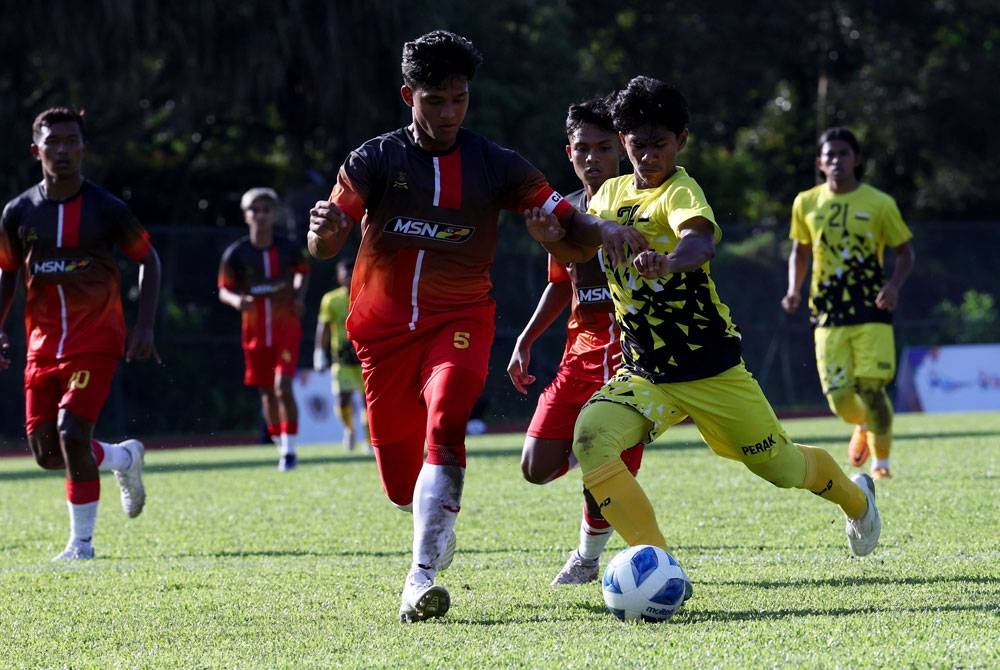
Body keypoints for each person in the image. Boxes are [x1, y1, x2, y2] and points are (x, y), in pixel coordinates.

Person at [306, 30, 635, 623]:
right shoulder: (373, 159)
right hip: (380, 340)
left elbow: (567, 219)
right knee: (402, 489)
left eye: (459, 99)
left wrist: (605, 233)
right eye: (435, 101)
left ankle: (420, 579)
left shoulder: (495, 164)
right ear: (408, 95)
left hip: (460, 321)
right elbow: (326, 236)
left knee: (449, 411)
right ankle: (434, 528)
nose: (449, 113)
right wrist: (322, 230)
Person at [527, 77, 883, 598]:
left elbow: (699, 241)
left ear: (682, 142)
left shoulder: (681, 191)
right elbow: (579, 253)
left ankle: (857, 499)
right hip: (645, 373)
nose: (648, 155)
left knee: (780, 467)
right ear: (623, 141)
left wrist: (668, 260)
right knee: (591, 438)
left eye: (660, 144)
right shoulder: (608, 194)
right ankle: (663, 569)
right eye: (637, 144)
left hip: (711, 370)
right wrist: (552, 240)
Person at [0, 107, 160, 561]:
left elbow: (149, 259)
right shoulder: (18, 212)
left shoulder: (107, 209)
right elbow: (7, 272)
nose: (64, 150)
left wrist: (145, 325)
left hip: (97, 339)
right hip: (41, 346)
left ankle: (81, 546)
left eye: (72, 141)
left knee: (72, 433)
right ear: (37, 150)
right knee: (48, 453)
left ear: (84, 149)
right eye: (54, 142)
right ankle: (123, 458)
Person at [507, 97, 653, 585]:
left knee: (606, 465)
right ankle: (585, 454)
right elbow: (561, 279)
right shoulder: (563, 210)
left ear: (623, 150)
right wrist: (526, 339)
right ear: (567, 151)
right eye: (583, 149)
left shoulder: (642, 205)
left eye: (605, 148)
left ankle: (588, 558)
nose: (594, 159)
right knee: (535, 467)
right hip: (579, 354)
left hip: (633, 357)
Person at [781, 127, 915, 479]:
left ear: (856, 159)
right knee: (839, 398)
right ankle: (864, 426)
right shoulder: (805, 202)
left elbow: (905, 253)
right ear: (820, 163)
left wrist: (894, 285)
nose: (837, 160)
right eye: (830, 155)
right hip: (827, 311)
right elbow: (800, 250)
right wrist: (794, 290)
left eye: (843, 153)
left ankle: (881, 463)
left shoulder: (879, 203)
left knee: (871, 388)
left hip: (872, 308)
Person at [218, 188, 310, 471]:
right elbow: (224, 289)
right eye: (254, 210)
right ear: (246, 216)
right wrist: (238, 301)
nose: (260, 215)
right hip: (255, 335)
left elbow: (303, 272)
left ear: (274, 214)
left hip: (286, 331)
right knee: (267, 393)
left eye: (266, 209)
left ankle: (291, 452)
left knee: (283, 387)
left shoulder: (288, 248)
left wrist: (298, 297)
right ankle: (281, 447)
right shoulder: (236, 253)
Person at [314, 257, 370, 452]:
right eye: (344, 274)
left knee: (367, 401)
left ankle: (369, 439)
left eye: (351, 273)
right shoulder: (331, 300)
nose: (348, 277)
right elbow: (323, 327)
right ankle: (349, 429)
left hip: (364, 358)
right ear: (338, 277)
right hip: (342, 359)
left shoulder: (366, 295)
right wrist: (319, 352)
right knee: (341, 399)